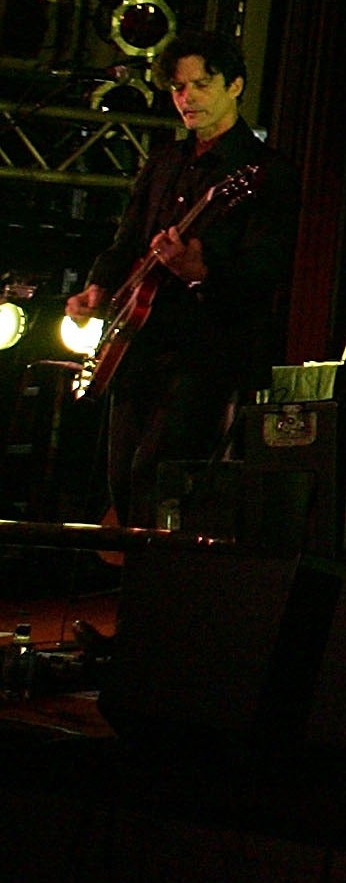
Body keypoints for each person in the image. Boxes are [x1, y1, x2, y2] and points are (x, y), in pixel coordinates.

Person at [66, 34, 298, 529]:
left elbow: (268, 267)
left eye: (200, 84)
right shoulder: (165, 162)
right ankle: (136, 597)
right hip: (138, 345)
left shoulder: (263, 172)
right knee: (122, 476)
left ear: (234, 85)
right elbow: (127, 241)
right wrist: (97, 289)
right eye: (177, 87)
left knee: (161, 474)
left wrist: (201, 273)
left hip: (205, 347)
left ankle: (163, 597)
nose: (186, 98)